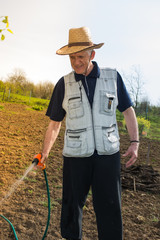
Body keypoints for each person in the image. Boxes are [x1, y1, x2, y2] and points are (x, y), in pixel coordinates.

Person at [38, 27, 139, 240]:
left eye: (81, 57)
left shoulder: (113, 77)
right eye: (72, 58)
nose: (76, 62)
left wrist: (135, 142)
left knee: (110, 207)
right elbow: (55, 124)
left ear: (92, 55)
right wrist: (45, 152)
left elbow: (128, 111)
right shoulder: (63, 84)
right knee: (71, 207)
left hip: (107, 156)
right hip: (76, 157)